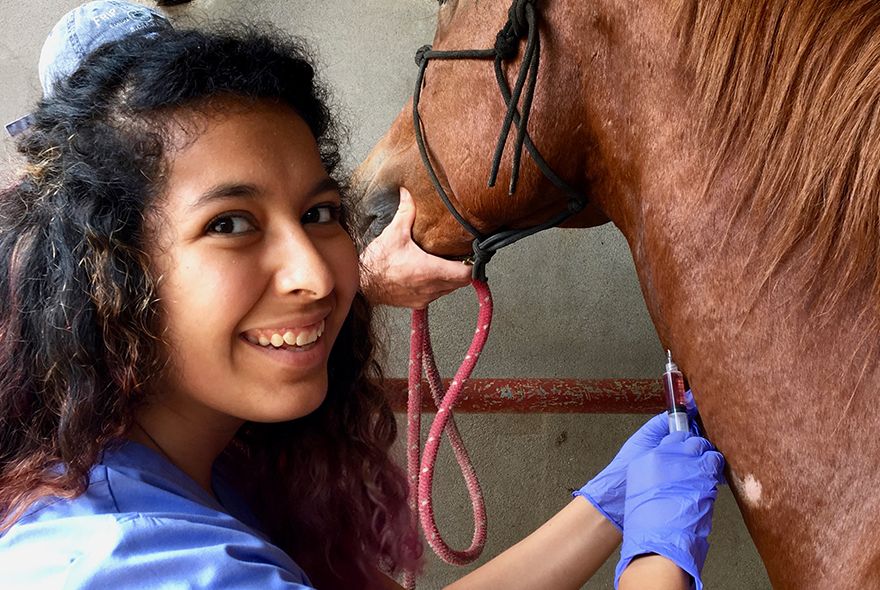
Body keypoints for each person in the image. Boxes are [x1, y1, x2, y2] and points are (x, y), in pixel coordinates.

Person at [0, 3, 725, 589]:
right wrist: (659, 563)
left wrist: (614, 499)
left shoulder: (182, 466)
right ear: (110, 273)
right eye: (230, 224)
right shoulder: (138, 568)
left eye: (319, 213)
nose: (316, 277)